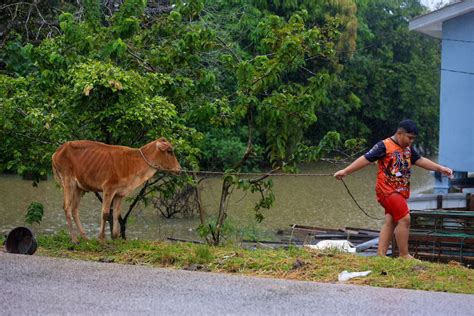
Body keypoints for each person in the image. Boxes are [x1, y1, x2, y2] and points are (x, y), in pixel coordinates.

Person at [334, 119, 453, 258]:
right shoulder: (384, 146)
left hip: (400, 191)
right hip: (387, 190)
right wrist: (346, 171)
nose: (411, 141)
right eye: (409, 138)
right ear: (399, 133)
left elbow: (420, 160)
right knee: (405, 219)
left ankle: (381, 255)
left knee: (391, 221)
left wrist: (440, 168)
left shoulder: (408, 149)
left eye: (413, 139)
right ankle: (404, 255)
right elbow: (366, 159)